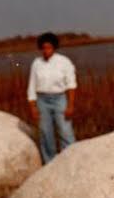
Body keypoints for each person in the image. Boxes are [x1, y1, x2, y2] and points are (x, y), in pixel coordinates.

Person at [27, 32, 77, 164]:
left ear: (54, 47)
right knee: (45, 133)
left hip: (60, 99)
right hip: (42, 101)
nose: (46, 50)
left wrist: (70, 105)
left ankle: (72, 161)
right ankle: (50, 163)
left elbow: (71, 84)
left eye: (49, 47)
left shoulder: (64, 62)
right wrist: (33, 106)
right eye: (43, 47)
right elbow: (32, 86)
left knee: (65, 131)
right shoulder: (36, 63)